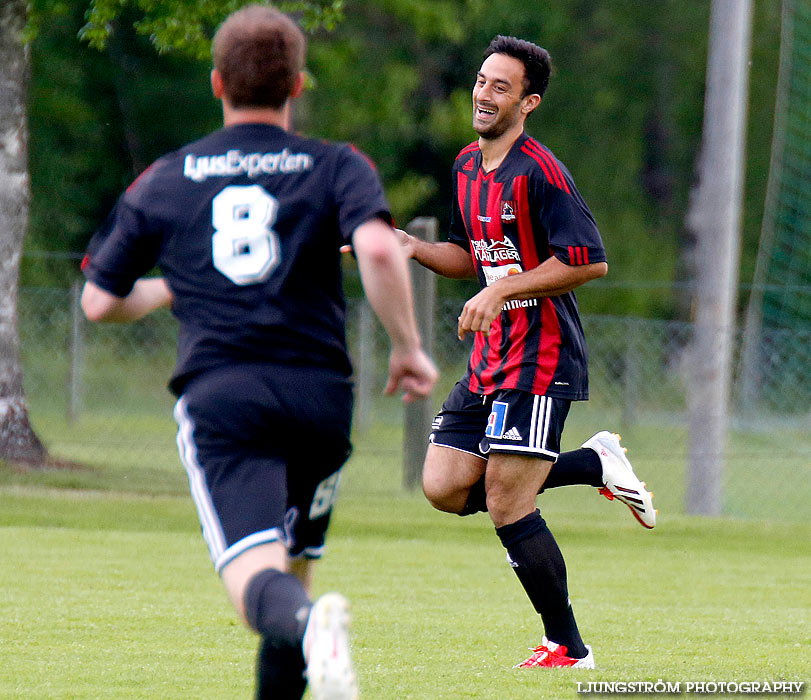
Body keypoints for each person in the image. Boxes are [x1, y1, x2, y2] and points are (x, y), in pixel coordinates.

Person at [80, 6, 437, 700]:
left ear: (217, 84)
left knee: (256, 587)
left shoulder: (167, 175)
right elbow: (374, 248)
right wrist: (407, 348)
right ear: (297, 86)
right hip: (320, 399)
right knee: (291, 579)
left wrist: (166, 291)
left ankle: (312, 627)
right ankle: (309, 632)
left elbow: (98, 300)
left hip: (226, 398)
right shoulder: (338, 163)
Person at [397, 35, 655, 669]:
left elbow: (588, 261)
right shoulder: (465, 167)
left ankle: (569, 648)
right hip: (490, 357)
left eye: (501, 87)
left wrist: (506, 287)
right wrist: (409, 246)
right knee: (446, 486)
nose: (485, 95)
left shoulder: (540, 171)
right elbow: (467, 256)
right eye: (482, 82)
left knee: (510, 502)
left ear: (528, 102)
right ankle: (593, 466)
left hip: (540, 360)